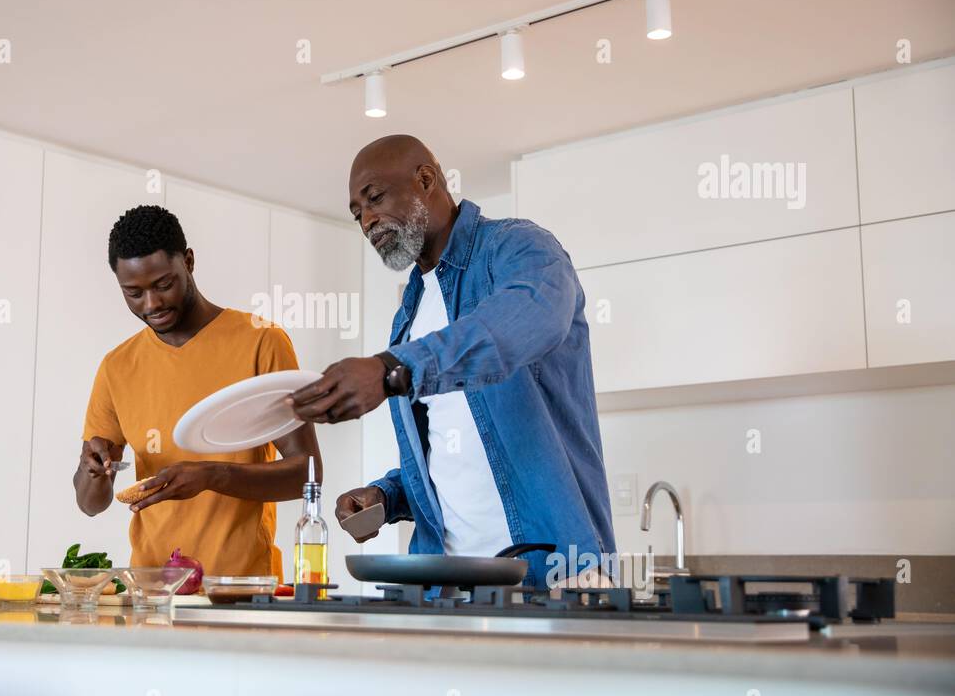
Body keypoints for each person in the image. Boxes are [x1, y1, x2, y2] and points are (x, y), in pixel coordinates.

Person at [289, 135, 615, 588]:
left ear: (426, 180)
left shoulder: (521, 248)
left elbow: (524, 321)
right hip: (445, 585)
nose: (366, 220)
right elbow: (448, 451)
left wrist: (390, 368)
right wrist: (387, 495)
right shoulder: (408, 315)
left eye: (375, 198)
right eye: (356, 212)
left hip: (551, 576)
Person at [76, 205, 320, 579]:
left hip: (242, 590)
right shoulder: (116, 367)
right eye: (133, 293)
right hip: (151, 591)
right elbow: (91, 504)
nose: (151, 304)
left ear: (188, 262)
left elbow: (308, 473)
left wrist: (211, 476)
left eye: (163, 284)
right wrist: (92, 472)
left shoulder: (261, 342)